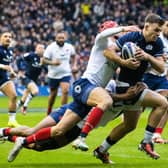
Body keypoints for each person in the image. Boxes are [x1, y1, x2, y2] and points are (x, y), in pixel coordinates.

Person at [6, 23, 141, 162]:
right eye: (114, 30)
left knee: (40, 146)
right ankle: (82, 137)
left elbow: (122, 68)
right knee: (35, 130)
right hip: (86, 85)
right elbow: (103, 35)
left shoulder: (116, 52)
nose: (118, 34)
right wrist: (125, 28)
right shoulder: (102, 41)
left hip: (87, 101)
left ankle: (13, 138)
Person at [0, 82, 147, 161]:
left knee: (39, 147)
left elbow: (129, 120)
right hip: (71, 112)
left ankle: (10, 137)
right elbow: (103, 95)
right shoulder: (113, 84)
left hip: (79, 127)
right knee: (32, 131)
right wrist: (124, 96)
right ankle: (3, 131)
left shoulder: (134, 102)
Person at [92, 13, 168, 163]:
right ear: (146, 27)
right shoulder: (131, 37)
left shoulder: (157, 42)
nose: (157, 33)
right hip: (124, 86)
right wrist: (124, 62)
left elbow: (160, 68)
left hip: (137, 84)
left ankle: (101, 150)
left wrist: (147, 56)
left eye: (160, 30)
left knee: (129, 125)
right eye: (155, 30)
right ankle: (146, 142)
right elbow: (107, 51)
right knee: (163, 103)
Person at [42, 30, 78, 115]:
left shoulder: (69, 47)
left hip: (65, 73)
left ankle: (63, 112)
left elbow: (74, 56)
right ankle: (49, 110)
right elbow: (43, 60)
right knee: (53, 95)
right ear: (56, 38)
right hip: (53, 75)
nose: (61, 39)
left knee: (65, 91)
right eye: (59, 38)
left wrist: (74, 65)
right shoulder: (50, 47)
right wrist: (52, 63)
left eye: (62, 38)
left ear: (65, 38)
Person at [147, 20, 168, 144]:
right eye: (167, 26)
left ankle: (156, 134)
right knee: (137, 108)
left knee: (165, 103)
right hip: (147, 75)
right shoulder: (156, 38)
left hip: (161, 78)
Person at [16, 44, 45, 114]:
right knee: (35, 91)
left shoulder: (43, 59)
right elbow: (18, 60)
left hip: (34, 80)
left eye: (42, 48)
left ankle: (12, 110)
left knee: (23, 99)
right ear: (36, 49)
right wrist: (20, 70)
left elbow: (46, 69)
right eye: (39, 48)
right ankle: (25, 107)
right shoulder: (31, 55)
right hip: (27, 77)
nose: (41, 49)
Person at [0, 32, 21, 128]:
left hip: (2, 77)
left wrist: (12, 71)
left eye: (10, 37)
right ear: (1, 38)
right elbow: (4, 65)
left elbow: (8, 65)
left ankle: (12, 120)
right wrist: (3, 66)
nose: (8, 38)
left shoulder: (10, 51)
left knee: (13, 95)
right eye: (5, 36)